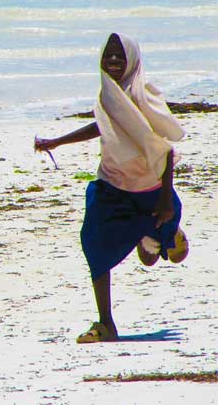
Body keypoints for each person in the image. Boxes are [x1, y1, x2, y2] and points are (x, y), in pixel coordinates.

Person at [35, 33, 189, 343]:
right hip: (112, 184)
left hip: (149, 188)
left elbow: (167, 151)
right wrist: (58, 141)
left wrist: (166, 199)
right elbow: (102, 127)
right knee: (94, 243)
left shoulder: (143, 95)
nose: (114, 60)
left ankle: (166, 233)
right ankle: (106, 323)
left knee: (153, 258)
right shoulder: (106, 94)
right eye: (109, 55)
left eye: (120, 55)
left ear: (132, 59)